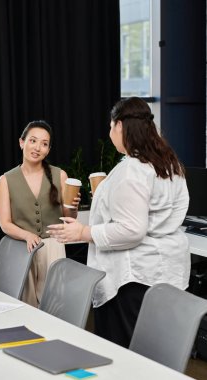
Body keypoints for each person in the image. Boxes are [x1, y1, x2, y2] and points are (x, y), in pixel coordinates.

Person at [47, 97, 190, 348]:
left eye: (110, 126)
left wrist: (82, 231)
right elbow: (165, 211)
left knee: (123, 356)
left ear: (120, 126)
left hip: (132, 280)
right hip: (165, 272)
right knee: (155, 352)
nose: (109, 132)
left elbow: (132, 230)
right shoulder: (169, 163)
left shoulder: (132, 169)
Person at [0, 120, 80, 307]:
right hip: (23, 249)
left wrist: (73, 208)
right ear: (21, 142)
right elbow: (5, 223)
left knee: (56, 305)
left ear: (48, 150)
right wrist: (26, 235)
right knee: (27, 304)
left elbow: (70, 218)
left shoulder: (60, 175)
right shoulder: (5, 180)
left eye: (44, 144)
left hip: (54, 247)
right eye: (33, 141)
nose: (37, 148)